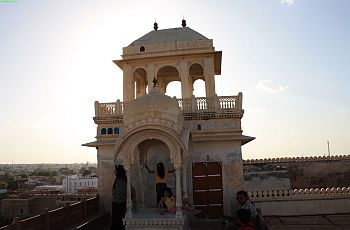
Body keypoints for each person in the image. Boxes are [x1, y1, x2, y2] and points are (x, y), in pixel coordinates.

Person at [111, 165, 127, 230]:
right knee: (118, 221)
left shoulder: (121, 180)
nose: (114, 171)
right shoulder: (121, 179)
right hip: (117, 203)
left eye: (115, 170)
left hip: (119, 204)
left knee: (118, 221)